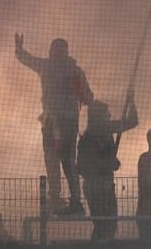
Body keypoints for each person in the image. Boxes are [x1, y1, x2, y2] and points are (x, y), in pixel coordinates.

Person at [14, 35, 93, 216]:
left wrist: (19, 48)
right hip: (68, 123)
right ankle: (74, 201)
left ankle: (57, 200)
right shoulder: (75, 71)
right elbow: (89, 97)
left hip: (53, 124)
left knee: (53, 160)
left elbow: (26, 59)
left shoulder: (48, 67)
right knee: (68, 163)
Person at [77, 93, 138, 242]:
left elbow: (132, 122)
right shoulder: (88, 139)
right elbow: (82, 167)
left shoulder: (106, 129)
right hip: (95, 189)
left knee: (110, 224)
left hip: (106, 187)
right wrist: (106, 164)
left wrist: (131, 102)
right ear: (98, 116)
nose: (110, 115)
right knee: (103, 225)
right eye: (106, 114)